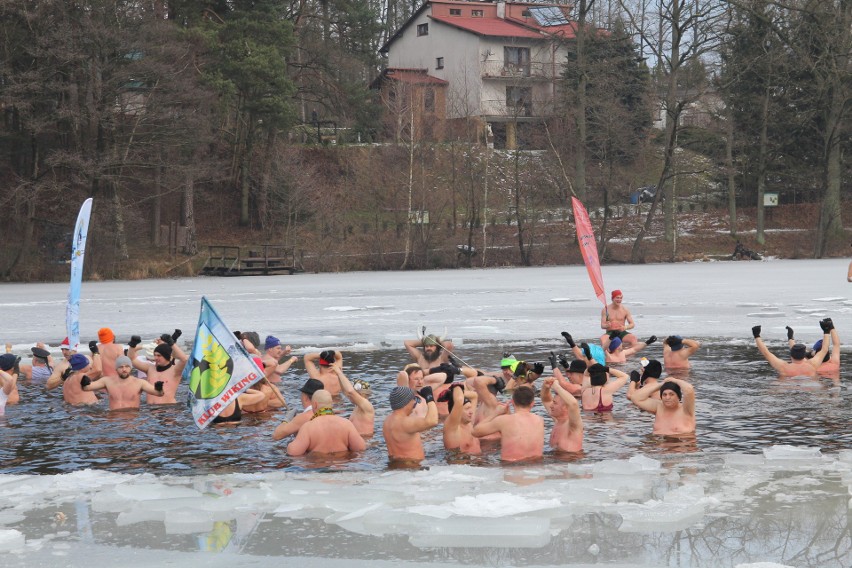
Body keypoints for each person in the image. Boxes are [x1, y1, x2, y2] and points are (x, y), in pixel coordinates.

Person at [471, 385, 544, 462]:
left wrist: (496, 413)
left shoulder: (503, 420)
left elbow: (475, 432)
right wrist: (508, 413)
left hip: (511, 466)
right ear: (533, 403)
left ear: (512, 402)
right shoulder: (539, 420)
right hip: (536, 465)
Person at [286, 390, 366, 456]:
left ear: (315, 405)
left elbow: (293, 452)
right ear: (331, 405)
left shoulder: (308, 427)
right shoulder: (346, 424)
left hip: (318, 468)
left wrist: (290, 441)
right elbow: (360, 448)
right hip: (341, 466)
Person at [80, 355, 164, 410]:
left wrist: (159, 388)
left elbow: (159, 394)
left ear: (131, 368)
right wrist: (84, 382)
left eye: (127, 366)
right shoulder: (107, 381)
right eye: (121, 367)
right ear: (116, 369)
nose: (124, 369)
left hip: (132, 419)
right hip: (114, 418)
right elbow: (87, 388)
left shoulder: (140, 383)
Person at [382, 385, 438, 463]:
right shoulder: (405, 422)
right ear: (406, 402)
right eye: (413, 399)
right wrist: (429, 398)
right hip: (412, 468)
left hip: (395, 465)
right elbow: (433, 421)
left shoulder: (387, 421)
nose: (415, 402)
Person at [752, 322, 830, 377]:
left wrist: (757, 335)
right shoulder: (812, 365)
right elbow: (824, 349)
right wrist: (826, 331)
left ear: (791, 356)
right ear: (804, 356)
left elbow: (766, 353)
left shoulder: (783, 367)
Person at [128, 335, 188, 404]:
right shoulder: (150, 368)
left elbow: (184, 359)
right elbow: (131, 359)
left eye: (159, 355)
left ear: (166, 356)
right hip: (150, 410)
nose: (156, 358)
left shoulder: (175, 370)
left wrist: (171, 343)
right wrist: (132, 345)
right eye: (155, 355)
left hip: (168, 409)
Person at [629, 378, 696, 436]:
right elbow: (635, 398)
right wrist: (661, 385)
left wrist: (675, 380)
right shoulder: (659, 407)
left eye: (671, 394)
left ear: (678, 396)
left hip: (681, 446)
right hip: (659, 446)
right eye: (664, 394)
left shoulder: (686, 409)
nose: (667, 397)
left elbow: (689, 389)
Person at [540, 377, 583, 453]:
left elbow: (573, 404)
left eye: (555, 403)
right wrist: (545, 387)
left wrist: (556, 387)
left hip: (570, 461)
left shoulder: (573, 425)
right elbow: (546, 400)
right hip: (556, 460)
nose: (551, 406)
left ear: (566, 408)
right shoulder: (557, 420)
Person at [331, 363, 375, 437]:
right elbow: (346, 392)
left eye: (355, 393)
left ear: (361, 394)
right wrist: (338, 375)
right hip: (357, 439)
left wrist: (339, 372)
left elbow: (350, 392)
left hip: (365, 441)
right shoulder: (358, 406)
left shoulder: (367, 406)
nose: (349, 396)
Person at [440, 383, 480, 454]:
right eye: (467, 408)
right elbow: (459, 400)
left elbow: (474, 396)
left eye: (470, 407)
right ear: (457, 411)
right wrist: (456, 387)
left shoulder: (469, 422)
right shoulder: (452, 428)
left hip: (477, 462)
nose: (471, 412)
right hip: (461, 463)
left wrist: (451, 393)